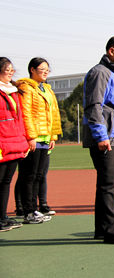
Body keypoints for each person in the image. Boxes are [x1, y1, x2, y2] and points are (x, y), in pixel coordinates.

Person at [83, 36, 114, 244]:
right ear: (111, 51)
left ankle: (103, 228)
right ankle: (112, 229)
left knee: (109, 185)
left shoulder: (113, 74)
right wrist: (101, 135)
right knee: (108, 185)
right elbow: (94, 105)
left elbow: (110, 106)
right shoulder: (100, 73)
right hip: (107, 138)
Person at [16, 57, 62, 224]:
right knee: (29, 175)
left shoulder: (47, 89)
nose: (45, 72)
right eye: (42, 69)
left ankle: (34, 209)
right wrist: (30, 136)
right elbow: (26, 113)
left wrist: (53, 136)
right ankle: (27, 210)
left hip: (45, 138)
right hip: (34, 138)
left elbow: (53, 114)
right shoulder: (26, 88)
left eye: (47, 69)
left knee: (39, 175)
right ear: (32, 70)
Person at [0, 58, 28, 231]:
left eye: (12, 69)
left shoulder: (14, 91)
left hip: (14, 142)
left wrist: (23, 140)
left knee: (6, 181)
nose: (10, 72)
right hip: (2, 142)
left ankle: (3, 216)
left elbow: (20, 119)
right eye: (6, 69)